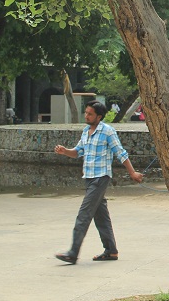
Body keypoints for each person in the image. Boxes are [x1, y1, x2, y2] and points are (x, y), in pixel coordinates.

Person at [54, 100, 143, 264]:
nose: (86, 116)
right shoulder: (86, 131)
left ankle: (73, 252)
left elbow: (120, 153)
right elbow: (78, 152)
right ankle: (111, 250)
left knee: (84, 214)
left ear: (99, 116)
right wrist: (65, 151)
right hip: (88, 178)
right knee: (101, 216)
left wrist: (132, 172)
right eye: (86, 113)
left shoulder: (107, 131)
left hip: (101, 178)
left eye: (90, 114)